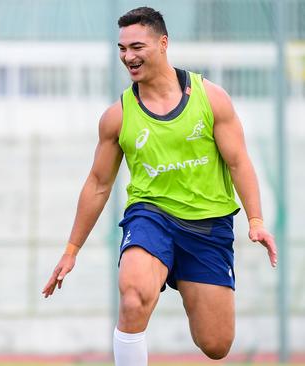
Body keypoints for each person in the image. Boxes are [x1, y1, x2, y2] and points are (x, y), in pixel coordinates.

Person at [42, 7, 277, 365]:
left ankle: (184, 275)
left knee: (216, 344)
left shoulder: (210, 98)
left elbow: (239, 161)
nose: (128, 56)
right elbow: (98, 184)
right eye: (122, 49)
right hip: (151, 218)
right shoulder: (117, 116)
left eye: (136, 46)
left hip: (208, 225)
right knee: (133, 296)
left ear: (163, 43)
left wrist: (256, 221)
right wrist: (71, 250)